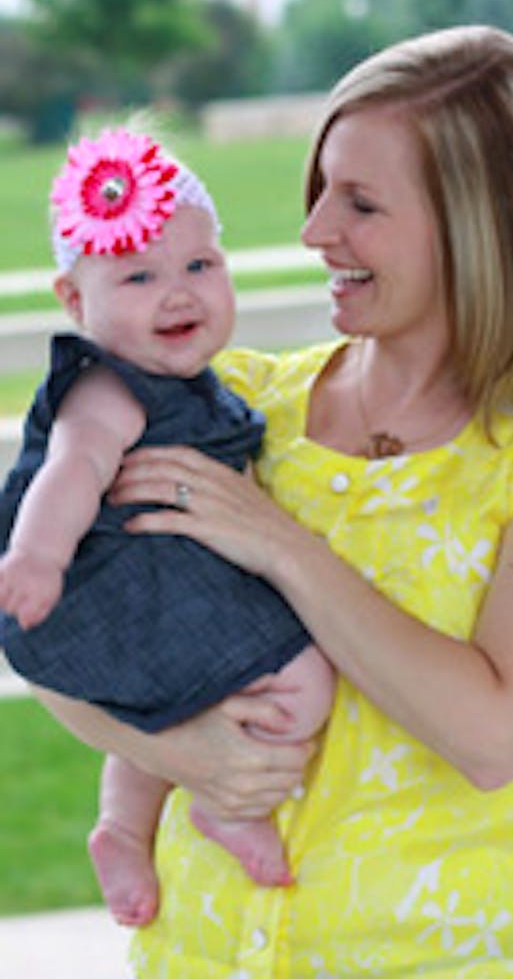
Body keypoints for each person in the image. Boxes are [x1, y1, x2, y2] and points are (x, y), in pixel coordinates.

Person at [30, 25, 513, 977]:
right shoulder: (232, 405)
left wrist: (282, 544)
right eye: (321, 191)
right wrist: (180, 752)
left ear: (477, 221)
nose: (314, 231)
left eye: (359, 202)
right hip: (199, 956)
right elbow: (56, 628)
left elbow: (494, 736)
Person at [0, 126, 335, 926]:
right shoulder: (108, 392)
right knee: (302, 683)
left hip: (164, 581)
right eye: (140, 275)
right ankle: (222, 805)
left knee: (164, 699)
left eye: (199, 266)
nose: (178, 292)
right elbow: (71, 468)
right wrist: (38, 558)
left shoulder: (190, 385)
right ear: (77, 303)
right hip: (114, 580)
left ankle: (123, 827)